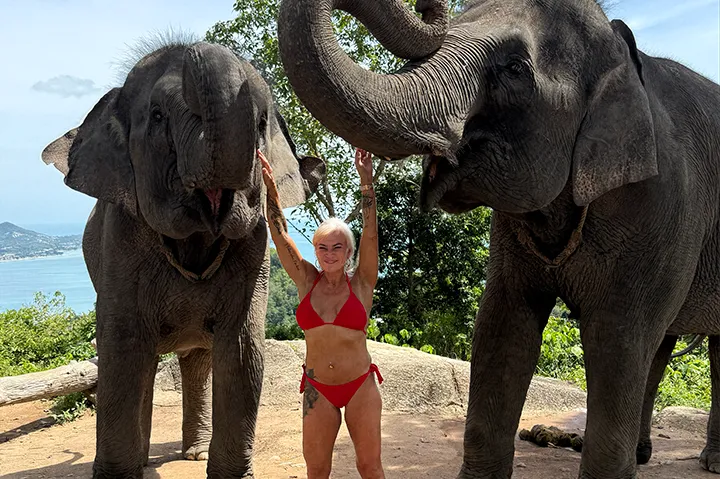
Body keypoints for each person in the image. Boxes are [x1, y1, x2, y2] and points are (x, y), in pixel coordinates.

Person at [258, 147, 384, 479]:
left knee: (369, 467)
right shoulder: (306, 280)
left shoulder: (362, 282)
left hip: (360, 386)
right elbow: (279, 233)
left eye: (337, 247)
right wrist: (271, 188)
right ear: (315, 250)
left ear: (349, 251)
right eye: (322, 247)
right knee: (316, 471)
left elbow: (371, 234)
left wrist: (366, 182)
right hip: (319, 389)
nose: (329, 254)